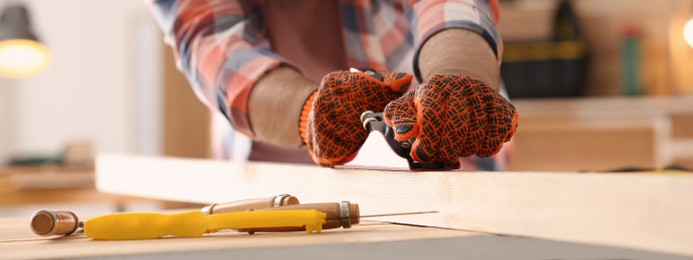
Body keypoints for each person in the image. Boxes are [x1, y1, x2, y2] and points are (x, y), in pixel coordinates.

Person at [146, 0, 518, 171]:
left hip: (445, 155)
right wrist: (309, 114)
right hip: (271, 172)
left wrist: (458, 80)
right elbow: (215, 45)